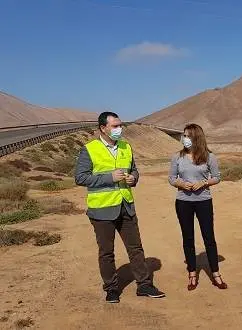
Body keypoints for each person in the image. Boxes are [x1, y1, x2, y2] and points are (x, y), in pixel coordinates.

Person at [75, 111, 165, 303]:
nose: (119, 129)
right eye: (115, 126)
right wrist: (109, 177)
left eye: (120, 125)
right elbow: (80, 177)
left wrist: (134, 179)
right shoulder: (89, 149)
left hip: (126, 206)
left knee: (136, 248)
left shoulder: (126, 146)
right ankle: (111, 288)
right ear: (103, 128)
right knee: (106, 252)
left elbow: (134, 169)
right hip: (102, 209)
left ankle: (144, 285)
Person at [168, 123, 227, 291]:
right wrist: (181, 183)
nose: (184, 139)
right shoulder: (177, 157)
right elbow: (171, 178)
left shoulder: (209, 156)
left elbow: (217, 177)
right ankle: (192, 273)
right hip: (183, 202)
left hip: (203, 201)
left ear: (196, 138)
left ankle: (215, 273)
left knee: (209, 237)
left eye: (187, 136)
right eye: (183, 135)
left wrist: (204, 182)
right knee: (188, 238)